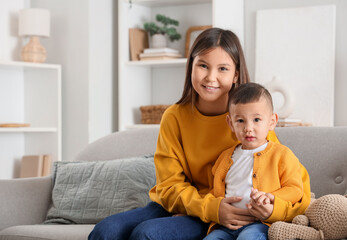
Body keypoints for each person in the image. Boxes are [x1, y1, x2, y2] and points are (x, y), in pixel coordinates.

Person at [88, 28, 278, 240]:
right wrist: (203, 207)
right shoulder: (174, 117)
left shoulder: (252, 121)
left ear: (235, 74)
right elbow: (169, 185)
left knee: (147, 235)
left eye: (222, 68)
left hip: (220, 212)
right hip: (179, 205)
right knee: (106, 231)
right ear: (191, 67)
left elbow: (273, 175)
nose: (211, 77)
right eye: (203, 66)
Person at [204, 83, 311, 240]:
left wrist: (270, 197)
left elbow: (295, 189)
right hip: (227, 225)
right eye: (240, 121)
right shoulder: (225, 158)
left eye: (256, 119)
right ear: (230, 123)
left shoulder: (282, 154)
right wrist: (210, 208)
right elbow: (214, 192)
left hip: (259, 223)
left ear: (272, 121)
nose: (248, 128)